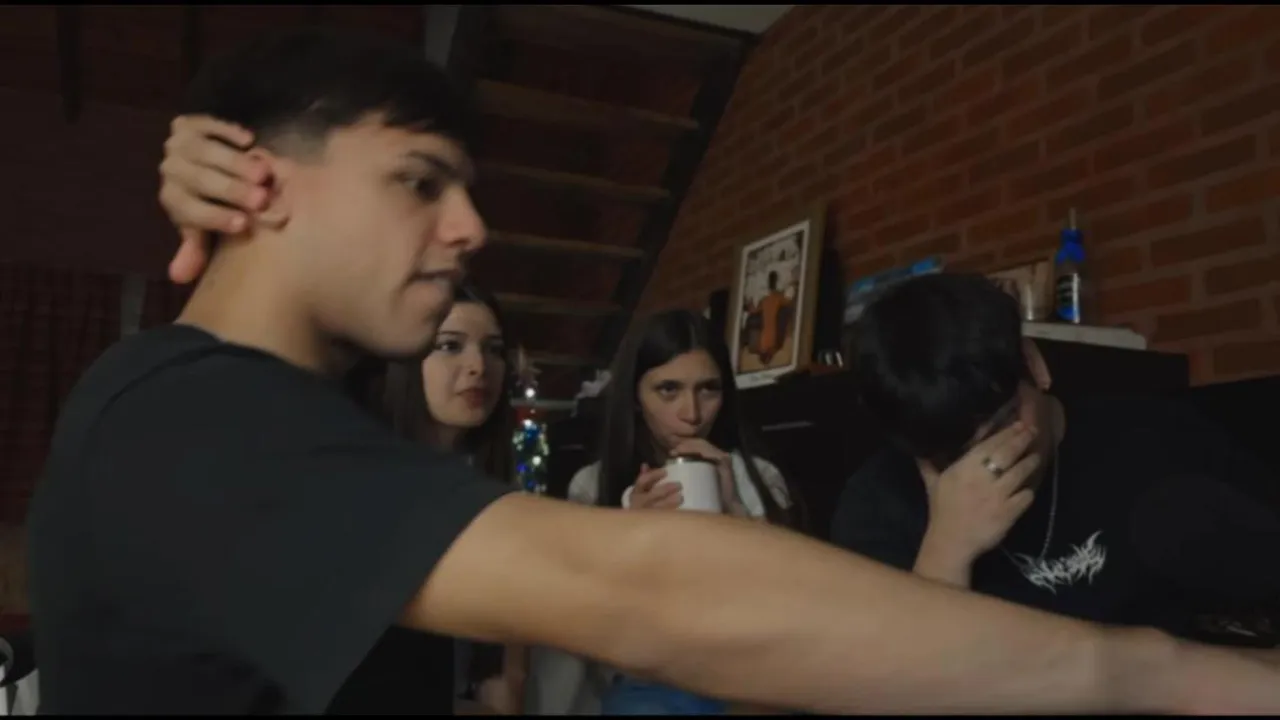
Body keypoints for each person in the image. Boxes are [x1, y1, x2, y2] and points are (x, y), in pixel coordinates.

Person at [32, 26, 1280, 715]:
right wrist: (1151, 675)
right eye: (418, 181)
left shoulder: (307, 423)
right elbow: (641, 591)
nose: (469, 229)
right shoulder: (182, 413)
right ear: (264, 183)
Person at [156, 122, 525, 714]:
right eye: (450, 346)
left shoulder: (486, 482)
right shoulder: (336, 455)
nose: (478, 367)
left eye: (495, 350)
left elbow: (497, 672)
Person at [830, 272, 1280, 644]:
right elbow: (887, 689)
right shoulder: (879, 502)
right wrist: (945, 554)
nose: (987, 462)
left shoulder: (1160, 438)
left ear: (1035, 364)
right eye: (950, 454)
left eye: (1004, 425)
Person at [531, 309, 795, 714]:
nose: (692, 413)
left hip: (743, 673)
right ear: (636, 398)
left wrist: (736, 514)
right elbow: (579, 617)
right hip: (644, 678)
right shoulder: (594, 485)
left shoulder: (757, 477)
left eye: (708, 390)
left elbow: (792, 604)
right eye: (668, 390)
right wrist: (625, 534)